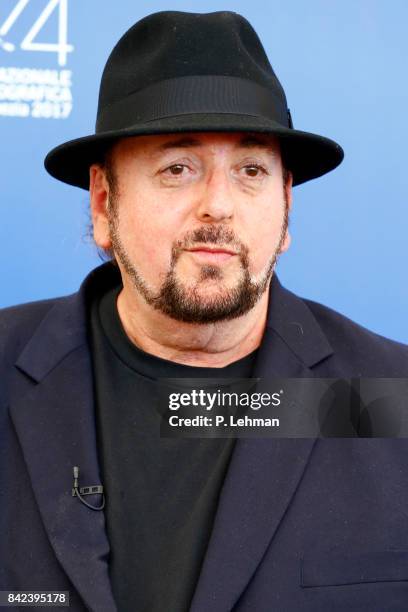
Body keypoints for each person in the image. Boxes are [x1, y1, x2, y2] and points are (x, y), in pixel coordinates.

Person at [1, 10, 408, 612]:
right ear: (104, 202)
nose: (218, 205)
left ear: (286, 203)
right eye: (178, 169)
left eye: (250, 170)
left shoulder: (388, 399)